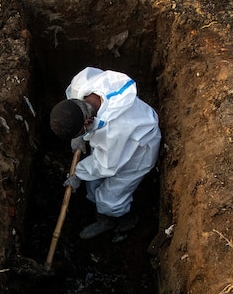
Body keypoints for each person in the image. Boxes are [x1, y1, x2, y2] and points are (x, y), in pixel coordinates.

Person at [49, 67, 162, 239]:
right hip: (113, 138)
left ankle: (124, 221)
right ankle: (101, 214)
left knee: (110, 200)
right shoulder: (81, 85)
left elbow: (107, 165)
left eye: (79, 132)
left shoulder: (115, 131)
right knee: (93, 184)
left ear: (87, 122)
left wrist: (79, 174)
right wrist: (80, 137)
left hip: (138, 148)